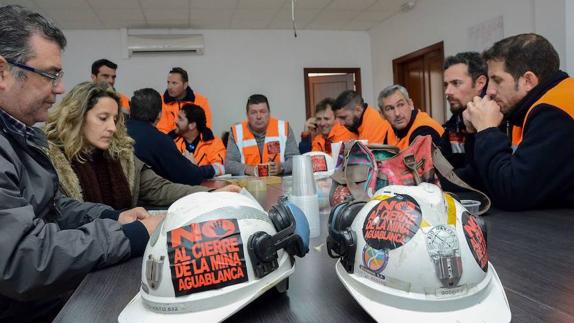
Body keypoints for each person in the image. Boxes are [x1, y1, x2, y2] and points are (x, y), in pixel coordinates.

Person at [0, 5, 162, 321]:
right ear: (3, 73)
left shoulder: (22, 136)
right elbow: (23, 258)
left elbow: (55, 208)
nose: (59, 87)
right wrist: (131, 235)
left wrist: (115, 218)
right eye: (49, 75)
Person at [45, 82, 217, 209]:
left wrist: (211, 195)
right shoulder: (49, 162)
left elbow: (159, 188)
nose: (112, 128)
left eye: (114, 120)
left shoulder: (123, 156)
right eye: (103, 118)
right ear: (77, 117)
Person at [462, 33, 574, 210]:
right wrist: (474, 133)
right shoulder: (523, 111)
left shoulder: (555, 111)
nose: (489, 91)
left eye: (497, 80)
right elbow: (485, 179)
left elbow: (514, 193)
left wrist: (487, 130)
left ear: (527, 81)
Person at [126, 88, 224, 185]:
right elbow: (188, 175)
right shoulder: (160, 141)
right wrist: (212, 169)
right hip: (150, 196)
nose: (175, 121)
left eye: (180, 119)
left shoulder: (118, 131)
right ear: (159, 115)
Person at [225, 94, 299, 176]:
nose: (259, 116)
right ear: (247, 115)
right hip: (249, 185)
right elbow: (229, 164)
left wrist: (281, 167)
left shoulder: (283, 128)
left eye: (263, 112)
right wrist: (248, 169)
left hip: (279, 183)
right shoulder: (237, 132)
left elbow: (295, 160)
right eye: (253, 112)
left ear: (269, 113)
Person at [440, 52, 488, 169]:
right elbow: (443, 172)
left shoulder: (500, 122)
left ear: (480, 83)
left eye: (456, 83)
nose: (447, 92)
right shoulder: (452, 125)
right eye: (446, 85)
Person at [378, 85, 444, 149]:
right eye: (389, 109)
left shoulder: (424, 131)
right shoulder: (391, 129)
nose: (397, 113)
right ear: (382, 115)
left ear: (410, 104)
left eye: (401, 105)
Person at [156, 67, 212, 133]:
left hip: (192, 142)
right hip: (167, 142)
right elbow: (160, 129)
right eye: (168, 82)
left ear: (185, 85)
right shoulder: (160, 101)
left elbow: (204, 128)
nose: (169, 87)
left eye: (174, 83)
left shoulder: (201, 101)